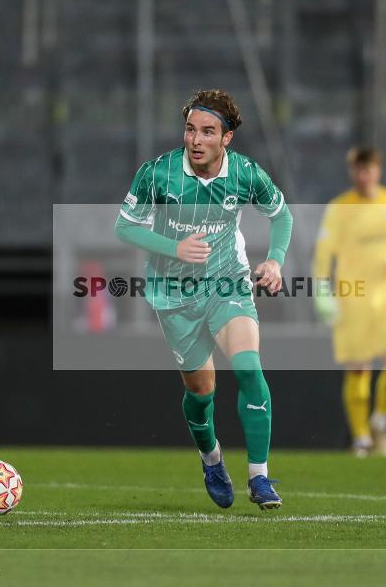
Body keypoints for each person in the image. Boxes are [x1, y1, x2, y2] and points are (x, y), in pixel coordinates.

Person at [114, 89, 293, 510]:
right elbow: (125, 228)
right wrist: (172, 248)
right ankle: (211, 458)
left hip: (227, 282)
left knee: (249, 367)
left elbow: (281, 214)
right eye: (190, 129)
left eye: (207, 131)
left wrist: (275, 260)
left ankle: (260, 478)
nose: (195, 140)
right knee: (202, 390)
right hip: (174, 294)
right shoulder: (158, 172)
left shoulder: (246, 173)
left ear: (226, 138)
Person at [313, 147, 386, 457]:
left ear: (378, 170)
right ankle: (361, 438)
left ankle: (380, 418)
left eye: (368, 169)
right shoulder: (339, 207)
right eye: (358, 169)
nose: (363, 175)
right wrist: (321, 289)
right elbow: (323, 253)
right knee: (359, 367)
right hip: (354, 295)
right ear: (352, 172)